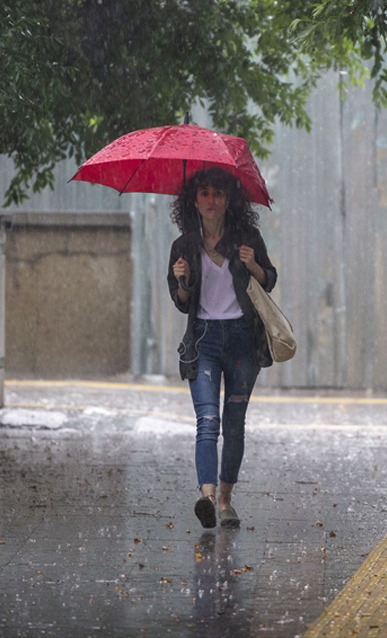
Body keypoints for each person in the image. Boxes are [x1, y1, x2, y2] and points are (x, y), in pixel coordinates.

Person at [167, 167, 277, 529]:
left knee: (234, 424)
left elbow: (269, 280)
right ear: (193, 200)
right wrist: (183, 279)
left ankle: (227, 499)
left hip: (243, 339)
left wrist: (253, 265)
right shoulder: (183, 246)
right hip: (204, 340)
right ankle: (208, 498)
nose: (210, 200)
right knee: (207, 421)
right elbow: (183, 301)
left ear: (229, 199)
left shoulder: (246, 237)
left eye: (217, 193)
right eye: (203, 193)